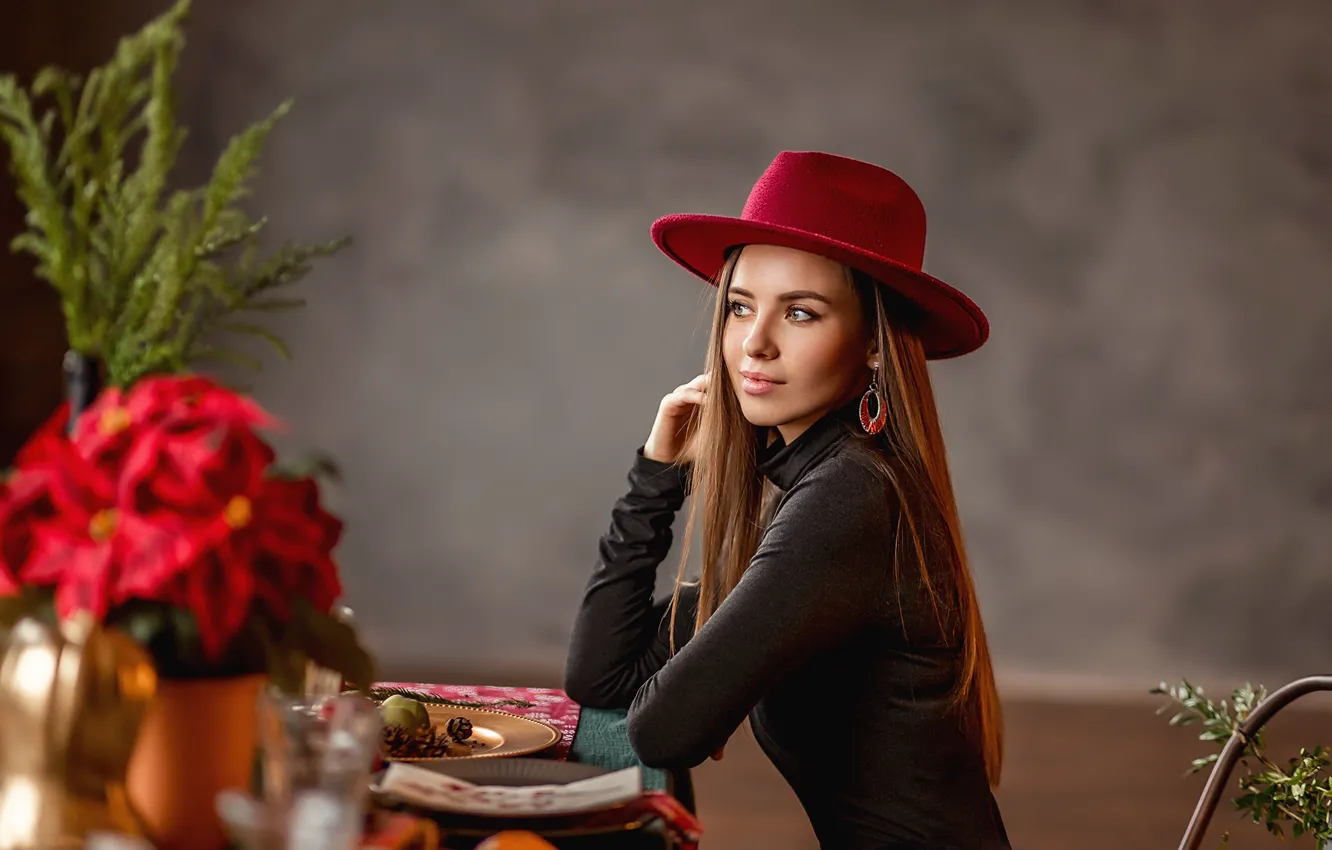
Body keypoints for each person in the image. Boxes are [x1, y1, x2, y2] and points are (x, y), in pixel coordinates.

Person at [564, 150, 1010, 849]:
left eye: (800, 313)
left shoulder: (851, 500)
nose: (754, 344)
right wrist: (658, 474)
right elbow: (603, 675)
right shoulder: (814, 485)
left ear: (872, 345)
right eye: (740, 306)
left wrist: (701, 693)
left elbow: (663, 729)